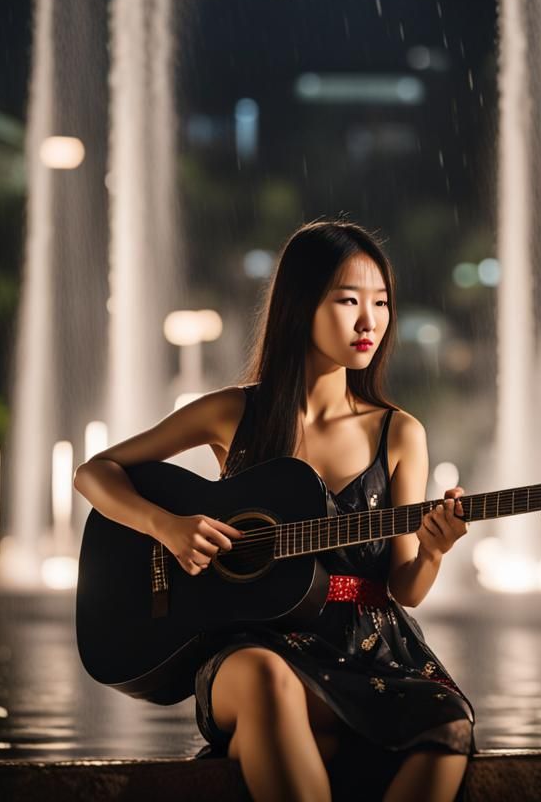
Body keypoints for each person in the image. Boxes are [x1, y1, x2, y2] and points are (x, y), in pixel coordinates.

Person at [73, 219, 474, 802]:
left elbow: (405, 588)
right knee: (268, 678)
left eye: (382, 302)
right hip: (246, 651)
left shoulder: (400, 433)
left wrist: (434, 550)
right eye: (349, 301)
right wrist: (168, 526)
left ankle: (264, 744)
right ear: (301, 305)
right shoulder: (234, 414)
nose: (370, 321)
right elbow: (94, 473)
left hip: (366, 655)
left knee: (447, 724)